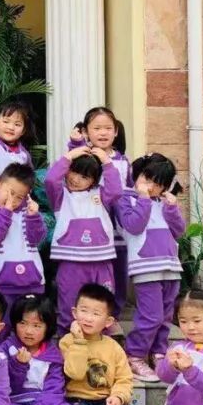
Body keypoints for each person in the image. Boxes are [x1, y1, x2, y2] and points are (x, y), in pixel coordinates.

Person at [114, 154, 186, 381]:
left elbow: (179, 231)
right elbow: (133, 226)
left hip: (171, 266)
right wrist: (144, 199)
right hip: (145, 267)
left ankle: (159, 353)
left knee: (165, 316)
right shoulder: (126, 200)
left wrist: (172, 208)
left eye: (159, 183)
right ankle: (135, 356)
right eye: (147, 179)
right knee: (151, 316)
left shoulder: (163, 202)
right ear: (136, 175)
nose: (152, 186)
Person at [45, 145, 124, 338]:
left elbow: (116, 191)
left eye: (84, 176)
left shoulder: (101, 194)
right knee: (69, 304)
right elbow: (50, 179)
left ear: (94, 180)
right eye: (73, 172)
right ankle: (67, 342)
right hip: (71, 261)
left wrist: (106, 162)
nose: (76, 179)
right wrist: (69, 156)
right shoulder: (61, 196)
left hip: (101, 260)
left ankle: (100, 342)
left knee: (102, 302)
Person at [68, 107, 132, 319]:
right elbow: (71, 172)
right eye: (96, 128)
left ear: (116, 131)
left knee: (118, 272)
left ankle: (113, 314)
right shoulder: (84, 155)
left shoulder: (123, 161)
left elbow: (129, 190)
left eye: (108, 128)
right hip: (90, 225)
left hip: (118, 226)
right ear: (86, 131)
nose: (103, 133)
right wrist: (75, 144)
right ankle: (83, 313)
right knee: (91, 273)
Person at [0, 163, 47, 326]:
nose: (12, 200)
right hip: (1, 283)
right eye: (10, 193)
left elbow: (37, 239)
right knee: (2, 326)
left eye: (19, 197)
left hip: (32, 282)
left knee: (29, 326)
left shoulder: (29, 213)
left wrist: (34, 217)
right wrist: (6, 212)